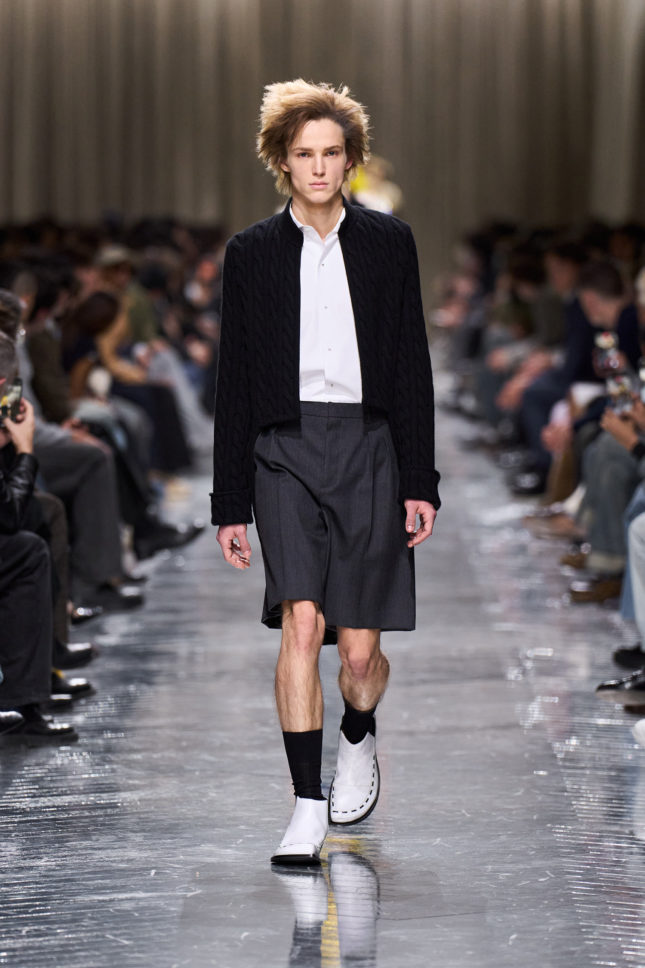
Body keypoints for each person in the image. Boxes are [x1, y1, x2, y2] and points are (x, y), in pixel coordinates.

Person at [211, 80, 440, 865]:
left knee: (359, 657)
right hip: (283, 447)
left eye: (331, 153)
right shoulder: (250, 254)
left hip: (370, 446)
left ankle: (358, 732)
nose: (317, 167)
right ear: (281, 161)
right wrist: (228, 500)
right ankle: (306, 805)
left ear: (350, 160)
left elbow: (410, 364)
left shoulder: (388, 243)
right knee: (302, 625)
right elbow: (234, 379)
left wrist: (420, 479)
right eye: (303, 153)